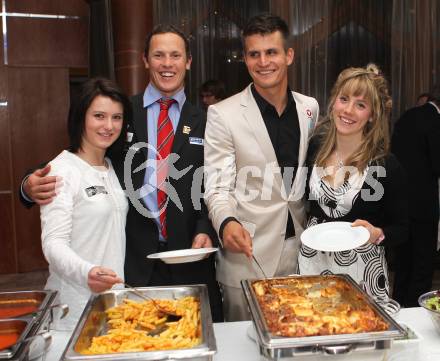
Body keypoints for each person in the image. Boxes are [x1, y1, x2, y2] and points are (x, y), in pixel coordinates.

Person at [20, 25, 223, 321]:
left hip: (191, 258)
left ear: (188, 61)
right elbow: (79, 158)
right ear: (145, 60)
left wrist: (205, 227)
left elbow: (210, 185)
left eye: (175, 55)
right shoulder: (122, 112)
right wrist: (28, 184)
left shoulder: (206, 120)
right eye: (159, 55)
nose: (167, 64)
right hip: (134, 264)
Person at [204, 14, 319, 321]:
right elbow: (217, 187)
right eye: (254, 54)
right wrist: (227, 222)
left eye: (272, 52)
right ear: (245, 59)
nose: (263, 61)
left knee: (300, 335)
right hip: (247, 253)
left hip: (300, 252)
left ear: (289, 55)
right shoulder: (222, 114)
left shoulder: (310, 108)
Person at [297, 64, 408, 300]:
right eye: (344, 99)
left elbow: (403, 228)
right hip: (312, 264)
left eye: (360, 105)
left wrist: (378, 233)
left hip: (362, 273)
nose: (348, 110)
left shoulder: (385, 165)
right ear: (333, 102)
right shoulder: (313, 149)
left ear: (372, 116)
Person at [40, 78, 130, 330]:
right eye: (99, 116)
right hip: (72, 310)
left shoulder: (110, 167)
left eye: (117, 118)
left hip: (112, 305)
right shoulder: (62, 170)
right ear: (81, 117)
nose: (109, 126)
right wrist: (87, 272)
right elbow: (53, 243)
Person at [391, 84, 440, 307]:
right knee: (421, 267)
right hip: (423, 205)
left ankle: (398, 309)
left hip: (399, 203)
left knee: (402, 265)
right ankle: (415, 316)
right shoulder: (436, 122)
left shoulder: (408, 116)